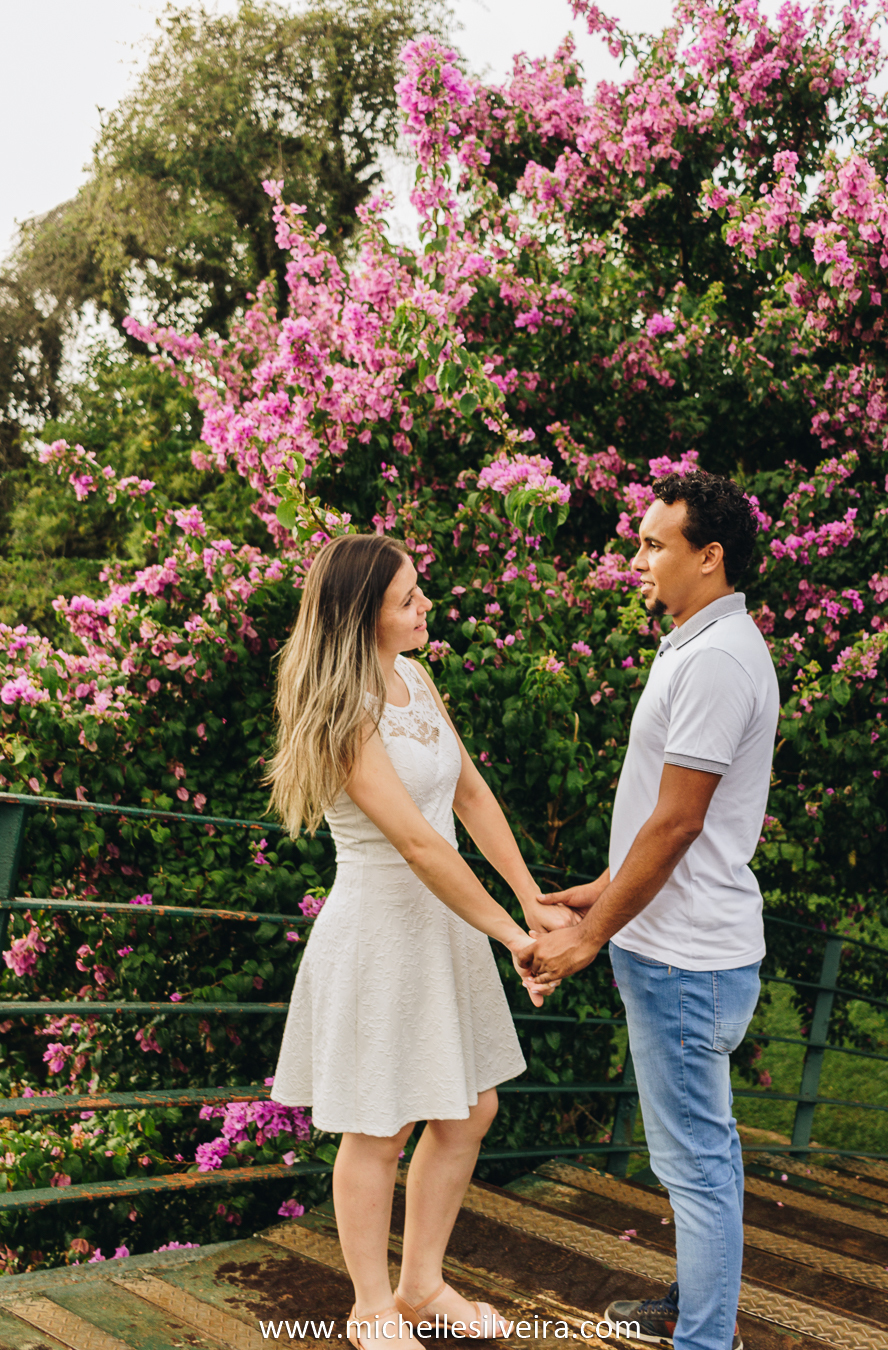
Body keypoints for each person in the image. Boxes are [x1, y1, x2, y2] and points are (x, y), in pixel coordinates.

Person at [266, 533, 572, 1348]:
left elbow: (468, 794)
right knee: (380, 1125)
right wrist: (513, 935)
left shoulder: (416, 678)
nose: (425, 605)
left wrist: (530, 899)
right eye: (407, 598)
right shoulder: (340, 711)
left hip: (447, 923)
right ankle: (370, 1309)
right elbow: (419, 845)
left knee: (472, 1107)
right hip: (381, 933)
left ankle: (422, 1284)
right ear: (364, 615)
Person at [526, 471, 779, 1350]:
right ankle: (694, 1308)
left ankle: (705, 1340)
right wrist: (597, 890)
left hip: (684, 959)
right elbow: (660, 823)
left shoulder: (714, 659)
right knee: (704, 1156)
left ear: (709, 558)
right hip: (679, 943)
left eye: (653, 545)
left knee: (696, 1164)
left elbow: (678, 823)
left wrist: (590, 937)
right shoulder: (696, 642)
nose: (636, 559)